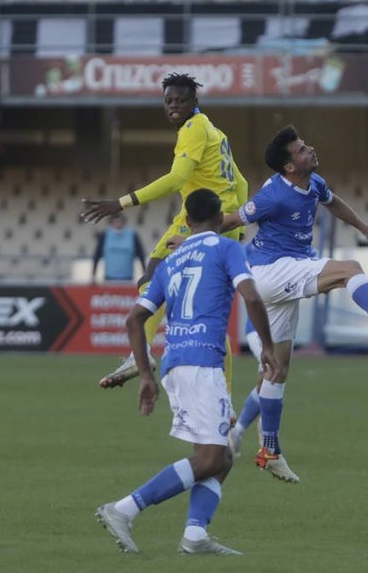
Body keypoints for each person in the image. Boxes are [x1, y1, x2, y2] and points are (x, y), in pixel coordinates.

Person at [220, 126, 368, 482]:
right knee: (349, 269)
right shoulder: (272, 196)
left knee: (276, 370)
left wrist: (365, 229)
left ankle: (269, 449)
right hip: (269, 272)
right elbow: (232, 219)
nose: (310, 149)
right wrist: (193, 236)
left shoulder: (314, 183)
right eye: (302, 150)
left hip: (283, 274)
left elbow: (333, 203)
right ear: (289, 167)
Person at [95, 189, 281, 557]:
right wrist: (270, 349)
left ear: (189, 221)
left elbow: (135, 320)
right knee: (212, 457)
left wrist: (146, 375)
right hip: (202, 362)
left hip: (175, 362)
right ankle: (124, 509)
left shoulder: (172, 260)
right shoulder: (227, 248)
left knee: (221, 456)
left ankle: (195, 534)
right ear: (220, 215)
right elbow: (252, 296)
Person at [81, 73, 248, 391]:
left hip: (201, 223)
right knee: (153, 277)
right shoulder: (215, 132)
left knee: (189, 303)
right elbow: (241, 183)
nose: (173, 106)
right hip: (205, 221)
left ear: (193, 102)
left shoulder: (194, 129)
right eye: (168, 101)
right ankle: (141, 353)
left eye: (180, 100)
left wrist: (121, 203)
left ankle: (144, 355)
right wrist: (236, 226)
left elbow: (175, 179)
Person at [92, 214, 147, 283]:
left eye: (119, 222)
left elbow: (141, 255)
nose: (117, 224)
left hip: (127, 277)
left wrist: (145, 274)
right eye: (115, 222)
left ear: (124, 223)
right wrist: (93, 274)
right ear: (111, 223)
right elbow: (97, 255)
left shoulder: (132, 235)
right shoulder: (105, 235)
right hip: (109, 277)